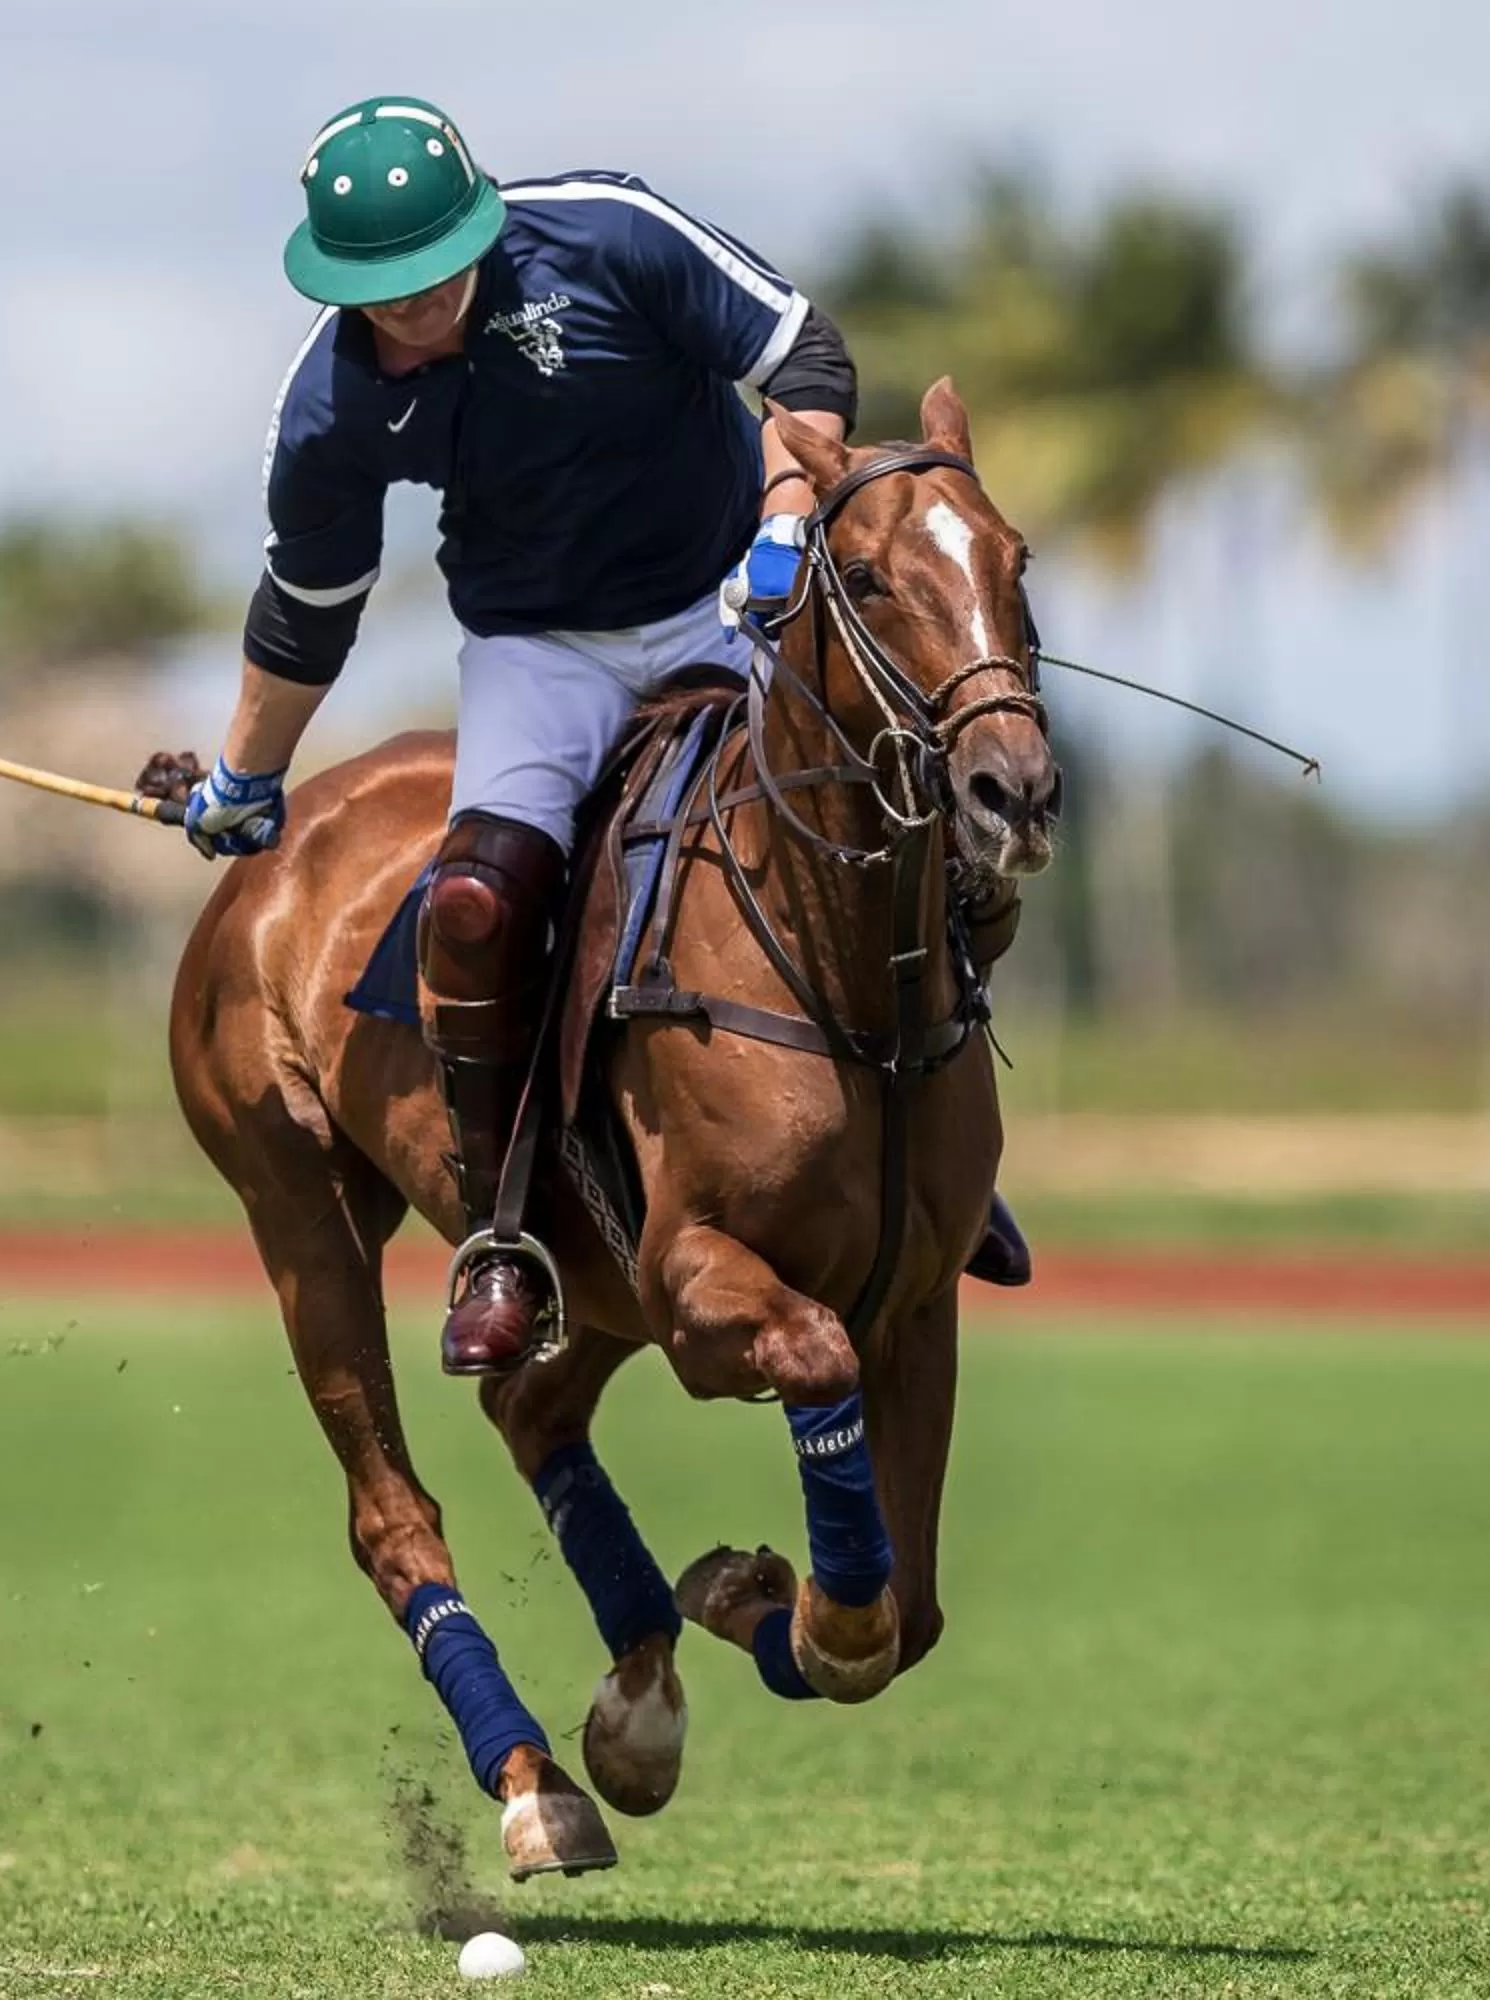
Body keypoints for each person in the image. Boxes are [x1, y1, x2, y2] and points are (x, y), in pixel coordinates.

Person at [179, 95, 1028, 1378]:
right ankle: (508, 1237)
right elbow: (306, 611)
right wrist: (246, 773)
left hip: (725, 594)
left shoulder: (609, 235)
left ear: (479, 231)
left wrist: (787, 503)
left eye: (430, 281)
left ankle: (935, 1156)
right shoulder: (332, 402)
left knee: (924, 817)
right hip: (541, 650)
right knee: (474, 899)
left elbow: (806, 356)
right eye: (379, 294)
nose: (408, 315)